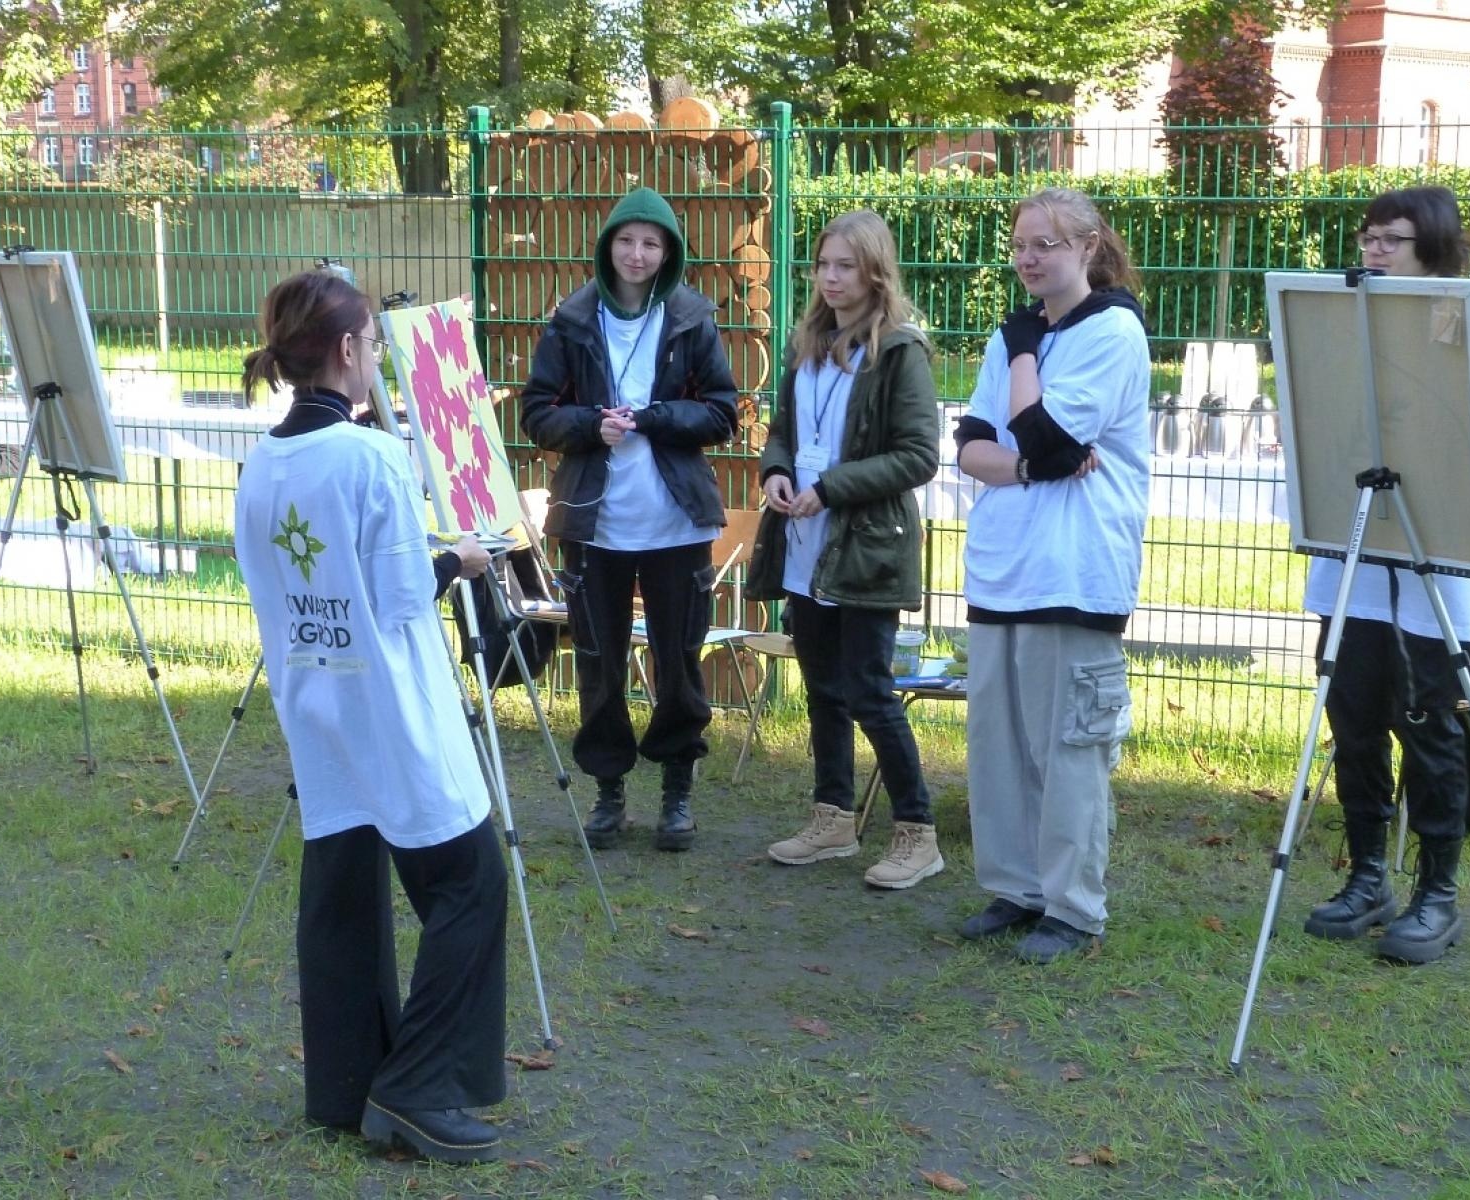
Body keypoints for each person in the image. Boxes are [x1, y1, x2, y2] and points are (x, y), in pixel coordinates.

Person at [234, 270, 510, 1164]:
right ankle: (418, 1088)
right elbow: (397, 593)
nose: (380, 359)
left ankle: (346, 1085)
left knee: (343, 890)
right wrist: (462, 558)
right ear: (348, 351)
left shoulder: (262, 463)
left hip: (316, 699)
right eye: (375, 346)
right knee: (470, 883)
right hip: (391, 704)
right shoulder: (370, 457)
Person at [1302, 185, 1470, 964]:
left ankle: (1437, 893)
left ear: (1433, 247)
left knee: (1433, 728)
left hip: (1440, 573)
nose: (1372, 250)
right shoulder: (1341, 340)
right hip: (1356, 563)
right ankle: (1368, 874)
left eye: (1390, 239)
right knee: (1355, 718)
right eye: (1366, 237)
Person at [953, 188, 1150, 963]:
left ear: (1088, 247)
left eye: (1046, 245)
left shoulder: (1110, 331)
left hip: (1075, 572)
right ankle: (1018, 887)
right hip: (1004, 569)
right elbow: (972, 447)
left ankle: (1073, 908)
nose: (1030, 259)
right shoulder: (1014, 337)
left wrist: (1028, 372)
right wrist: (1034, 464)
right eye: (1021, 246)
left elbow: (1050, 434)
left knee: (1069, 747)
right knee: (997, 745)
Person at [521, 187, 739, 851]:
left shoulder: (692, 318)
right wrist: (592, 425)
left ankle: (677, 791)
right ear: (607, 246)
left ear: (667, 252)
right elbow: (537, 413)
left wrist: (653, 417)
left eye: (651, 243)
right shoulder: (571, 320)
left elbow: (724, 412)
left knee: (679, 662)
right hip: (595, 525)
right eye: (626, 241)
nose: (638, 254)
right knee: (598, 663)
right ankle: (608, 792)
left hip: (676, 524)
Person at [746, 209, 943, 888]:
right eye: (824, 265)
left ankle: (917, 833)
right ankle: (832, 818)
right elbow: (783, 430)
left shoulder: (899, 350)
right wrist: (774, 470)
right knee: (823, 689)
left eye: (846, 266)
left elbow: (919, 457)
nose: (830, 278)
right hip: (804, 545)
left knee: (869, 690)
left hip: (865, 548)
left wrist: (830, 488)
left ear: (875, 271)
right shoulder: (809, 341)